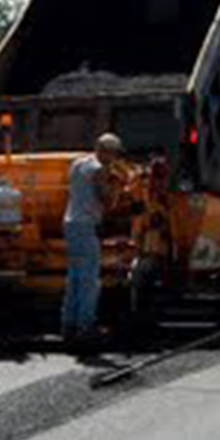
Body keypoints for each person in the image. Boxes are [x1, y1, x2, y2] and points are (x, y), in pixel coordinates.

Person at [61, 133, 122, 344]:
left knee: (74, 277)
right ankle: (86, 327)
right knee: (89, 279)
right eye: (113, 153)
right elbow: (106, 200)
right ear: (107, 151)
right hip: (86, 224)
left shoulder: (78, 163)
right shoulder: (98, 169)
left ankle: (69, 324)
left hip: (70, 222)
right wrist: (116, 188)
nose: (114, 158)